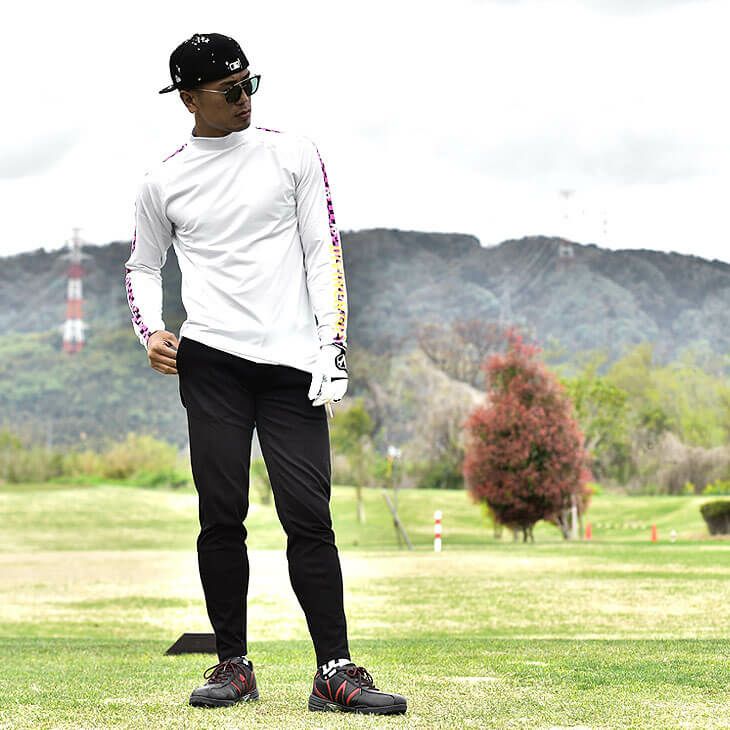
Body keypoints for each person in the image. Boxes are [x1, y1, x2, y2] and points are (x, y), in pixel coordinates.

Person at [123, 32, 407, 716]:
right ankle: (233, 665)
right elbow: (142, 266)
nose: (245, 98)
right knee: (221, 518)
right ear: (189, 99)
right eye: (229, 90)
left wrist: (332, 344)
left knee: (309, 517)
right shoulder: (162, 181)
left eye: (251, 83)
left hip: (290, 365)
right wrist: (151, 330)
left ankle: (334, 671)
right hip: (212, 363)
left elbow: (322, 249)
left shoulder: (293, 154)